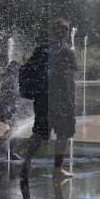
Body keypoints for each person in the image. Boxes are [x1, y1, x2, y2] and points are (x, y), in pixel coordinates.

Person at [22, 19, 77, 182]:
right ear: (66, 34)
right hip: (61, 99)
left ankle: (27, 161)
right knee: (62, 134)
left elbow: (29, 69)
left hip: (41, 98)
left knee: (38, 132)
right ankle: (57, 170)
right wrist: (73, 102)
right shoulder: (67, 52)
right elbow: (69, 79)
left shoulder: (40, 50)